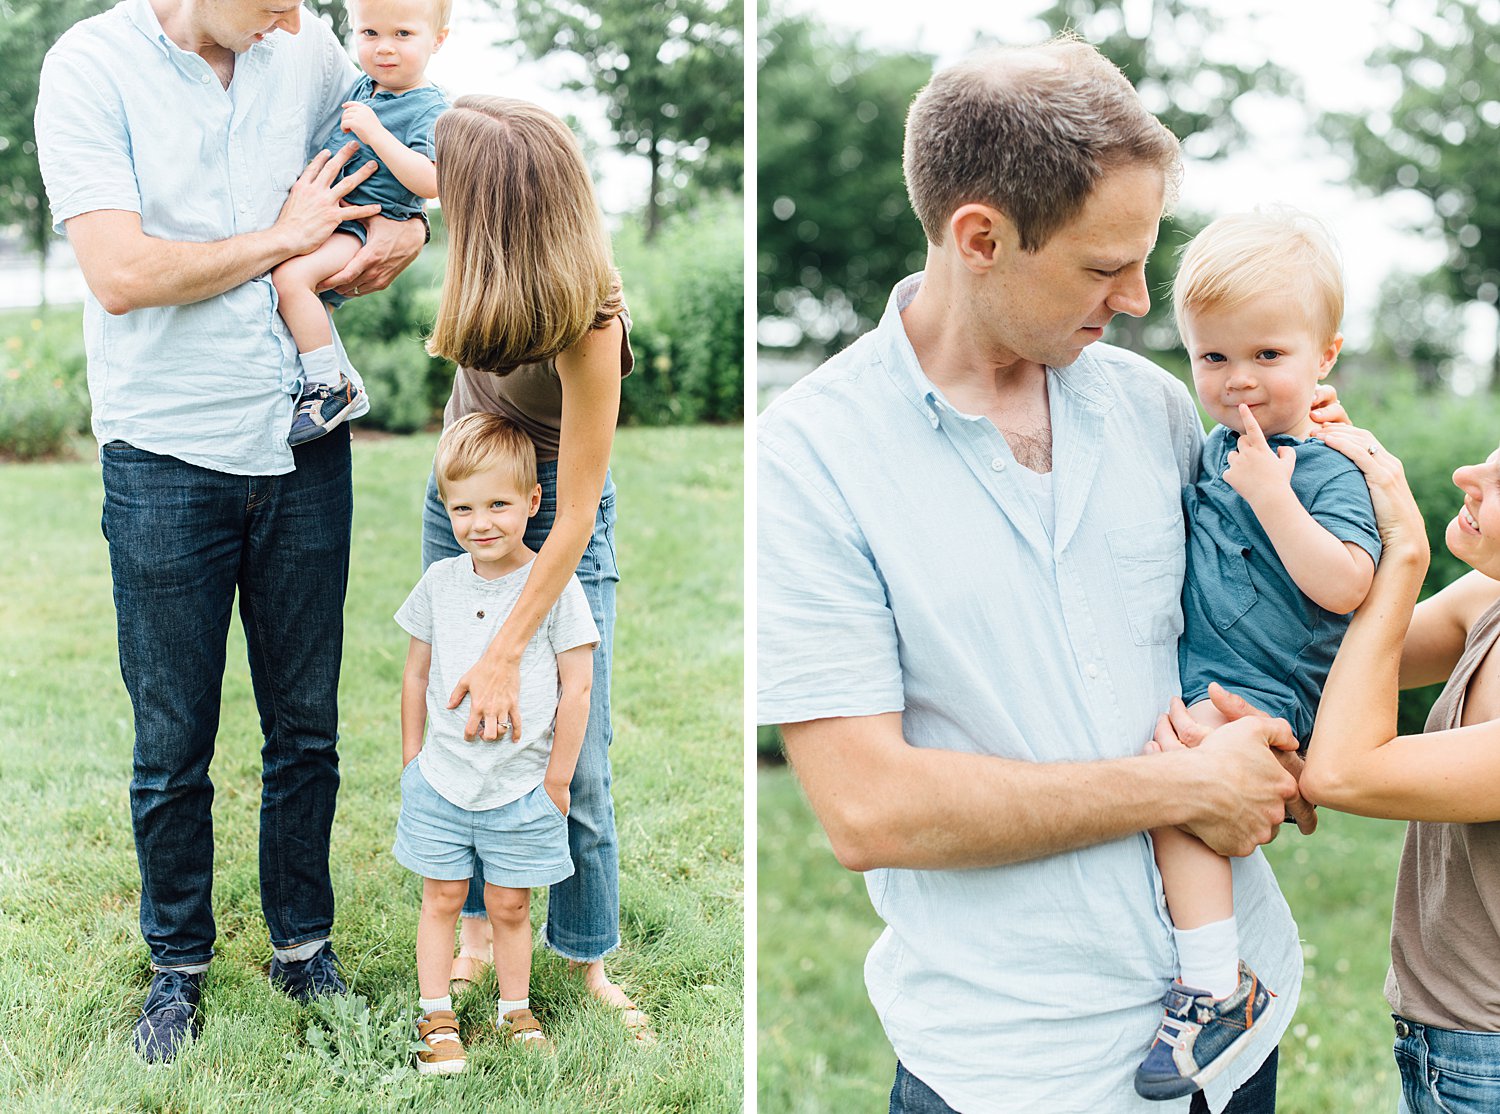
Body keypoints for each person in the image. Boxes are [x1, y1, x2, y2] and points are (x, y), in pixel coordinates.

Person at [758, 38, 1324, 1113]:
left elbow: (1246, 630)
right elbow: (869, 808)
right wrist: (1184, 786)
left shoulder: (1155, 408)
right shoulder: (813, 455)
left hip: (1239, 1034)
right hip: (1011, 1068)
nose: (1140, 298)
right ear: (981, 236)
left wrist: (1274, 745)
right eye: (1103, 266)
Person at [35, 0, 426, 1063]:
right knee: (172, 744)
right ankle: (178, 967)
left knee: (306, 727)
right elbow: (121, 274)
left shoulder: (303, 50)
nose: (297, 16)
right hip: (164, 451)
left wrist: (406, 229)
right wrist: (286, 242)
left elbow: (396, 145)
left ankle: (304, 945)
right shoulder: (91, 67)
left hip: (302, 439)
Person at [418, 95, 652, 1041]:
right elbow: (427, 174)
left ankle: (585, 951)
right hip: (465, 494)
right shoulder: (489, 242)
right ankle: (476, 933)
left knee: (571, 763)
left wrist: (510, 646)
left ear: (500, 211)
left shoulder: (590, 318)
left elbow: (579, 514)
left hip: (556, 511)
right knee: (469, 736)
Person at [1134, 211, 1380, 1101]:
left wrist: (1275, 497)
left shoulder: (1328, 468)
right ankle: (1208, 974)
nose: (1238, 382)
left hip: (1271, 692)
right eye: (1213, 358)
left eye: (1268, 357)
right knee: (1175, 781)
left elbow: (1347, 582)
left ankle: (1212, 984)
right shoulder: (1211, 449)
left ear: (1326, 356)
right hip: (1213, 676)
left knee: (1175, 791)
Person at [1285, 427, 1500, 1112]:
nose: (1470, 473)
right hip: (1449, 1039)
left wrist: (1404, 553)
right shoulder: (1486, 600)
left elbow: (1343, 772)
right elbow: (1336, 668)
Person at [395, 413, 598, 1074]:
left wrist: (558, 781)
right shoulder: (438, 585)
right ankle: (436, 1014)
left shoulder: (555, 589)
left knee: (510, 904)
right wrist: (412, 759)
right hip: (444, 781)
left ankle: (516, 1007)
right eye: (462, 507)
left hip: (520, 785)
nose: (480, 522)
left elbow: (579, 688)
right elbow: (416, 673)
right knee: (443, 898)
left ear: (533, 502)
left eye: (498, 505)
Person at [271, 0, 449, 446]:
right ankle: (312, 378)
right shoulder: (364, 88)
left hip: (366, 224)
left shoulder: (431, 108)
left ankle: (331, 388)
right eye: (370, 34)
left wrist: (374, 133)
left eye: (402, 35)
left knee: (290, 280)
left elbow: (432, 181)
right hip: (334, 221)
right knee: (310, 300)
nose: (384, 48)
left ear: (438, 40)